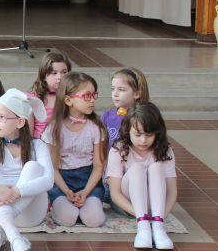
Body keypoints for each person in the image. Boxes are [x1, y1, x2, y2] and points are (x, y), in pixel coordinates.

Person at [0, 89, 54, 251]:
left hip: (30, 214)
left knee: (32, 167)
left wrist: (17, 191)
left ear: (20, 122)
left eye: (2, 117)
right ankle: (15, 237)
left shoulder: (38, 146)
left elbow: (48, 181)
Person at [107, 102, 177, 250]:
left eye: (149, 134)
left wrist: (160, 217)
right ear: (128, 131)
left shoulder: (165, 150)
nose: (143, 140)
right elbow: (115, 193)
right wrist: (142, 216)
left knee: (157, 167)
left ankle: (158, 229)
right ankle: (143, 228)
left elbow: (172, 191)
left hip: (155, 207)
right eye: (138, 135)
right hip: (129, 205)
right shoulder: (118, 149)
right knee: (137, 168)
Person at [42, 72, 108, 228]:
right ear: (68, 100)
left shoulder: (96, 127)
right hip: (62, 182)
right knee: (68, 219)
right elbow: (53, 168)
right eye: (87, 96)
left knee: (94, 220)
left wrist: (85, 192)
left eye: (94, 95)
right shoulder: (54, 129)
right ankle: (62, 207)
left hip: (89, 181)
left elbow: (98, 166)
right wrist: (66, 191)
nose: (92, 100)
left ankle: (87, 206)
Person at [102, 67, 150, 149]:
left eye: (121, 89)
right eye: (113, 89)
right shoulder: (107, 115)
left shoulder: (144, 118)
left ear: (136, 94)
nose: (115, 94)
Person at [27, 52, 72, 138]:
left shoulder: (73, 96)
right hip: (40, 142)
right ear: (44, 76)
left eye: (64, 72)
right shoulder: (34, 99)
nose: (60, 77)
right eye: (54, 73)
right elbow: (29, 133)